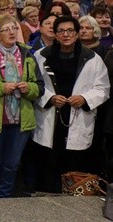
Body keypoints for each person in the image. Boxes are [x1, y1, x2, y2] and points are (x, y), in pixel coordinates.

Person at [32, 15, 110, 192]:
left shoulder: (92, 58)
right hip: (51, 114)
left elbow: (103, 88)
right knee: (48, 163)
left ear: (76, 34)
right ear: (56, 34)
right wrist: (50, 98)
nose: (66, 34)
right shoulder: (41, 56)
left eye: (70, 31)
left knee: (73, 164)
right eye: (61, 31)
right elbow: (34, 85)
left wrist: (85, 99)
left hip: (78, 114)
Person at [0, 13, 42, 198]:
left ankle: (4, 199)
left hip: (21, 119)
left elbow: (40, 87)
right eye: (6, 29)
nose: (12, 32)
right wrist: (1, 87)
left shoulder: (28, 54)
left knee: (12, 164)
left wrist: (29, 87)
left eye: (14, 28)